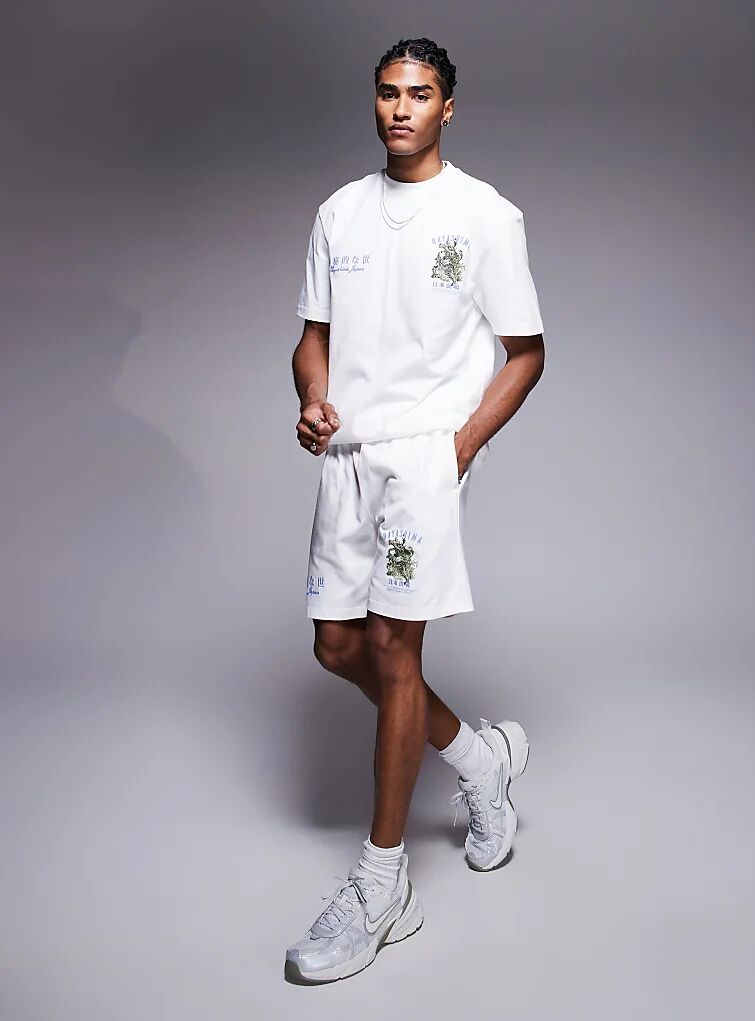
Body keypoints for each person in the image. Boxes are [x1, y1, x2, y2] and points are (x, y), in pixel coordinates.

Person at [286, 36, 545, 984]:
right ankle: (480, 761)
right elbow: (312, 338)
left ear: (448, 108)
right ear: (376, 101)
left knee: (396, 649)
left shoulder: (485, 215)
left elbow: (526, 351)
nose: (401, 108)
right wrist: (312, 398)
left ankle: (382, 884)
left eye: (420, 93)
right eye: (389, 92)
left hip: (424, 463)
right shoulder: (339, 212)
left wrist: (458, 446)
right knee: (337, 646)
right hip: (348, 458)